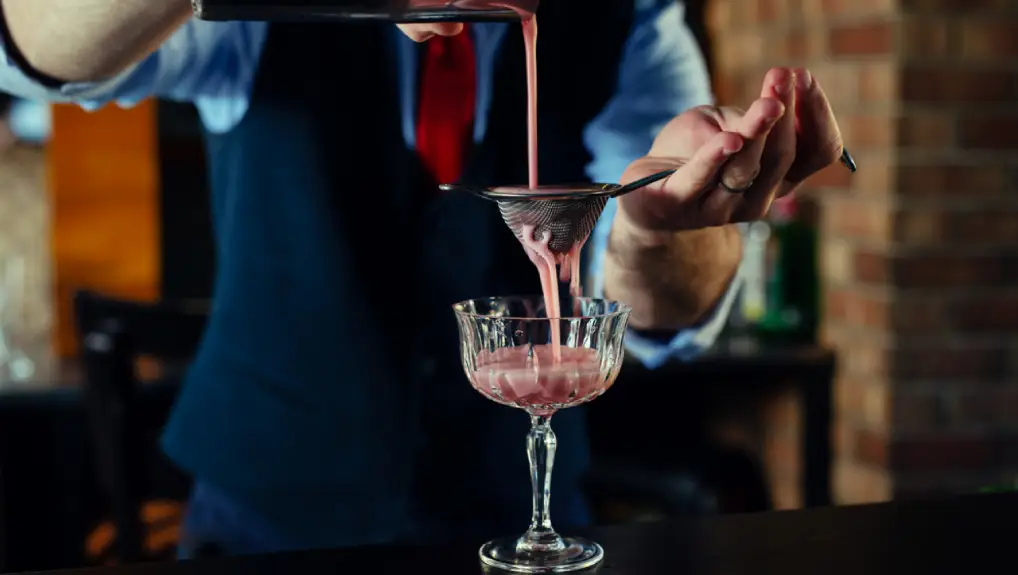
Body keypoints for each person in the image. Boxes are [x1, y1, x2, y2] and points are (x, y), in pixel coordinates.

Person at [0, 0, 842, 557]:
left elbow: (667, 310)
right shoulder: (262, 16)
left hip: (515, 518)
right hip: (267, 529)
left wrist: (657, 223)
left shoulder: (629, 22)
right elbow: (28, 49)